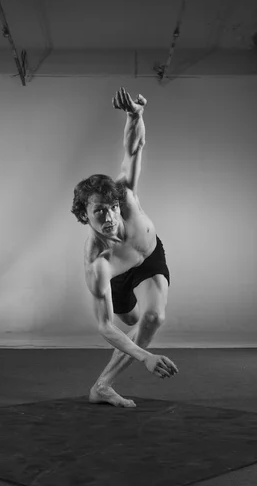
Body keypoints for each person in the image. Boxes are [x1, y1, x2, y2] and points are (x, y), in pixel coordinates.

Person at [71, 87, 179, 408]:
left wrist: (135, 115)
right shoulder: (97, 261)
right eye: (97, 212)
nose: (108, 216)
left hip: (148, 258)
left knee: (152, 319)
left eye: (110, 207)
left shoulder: (125, 194)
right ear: (84, 217)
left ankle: (102, 386)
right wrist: (144, 356)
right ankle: (134, 345)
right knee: (129, 321)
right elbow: (105, 325)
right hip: (119, 277)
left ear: (118, 204)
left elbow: (133, 149)